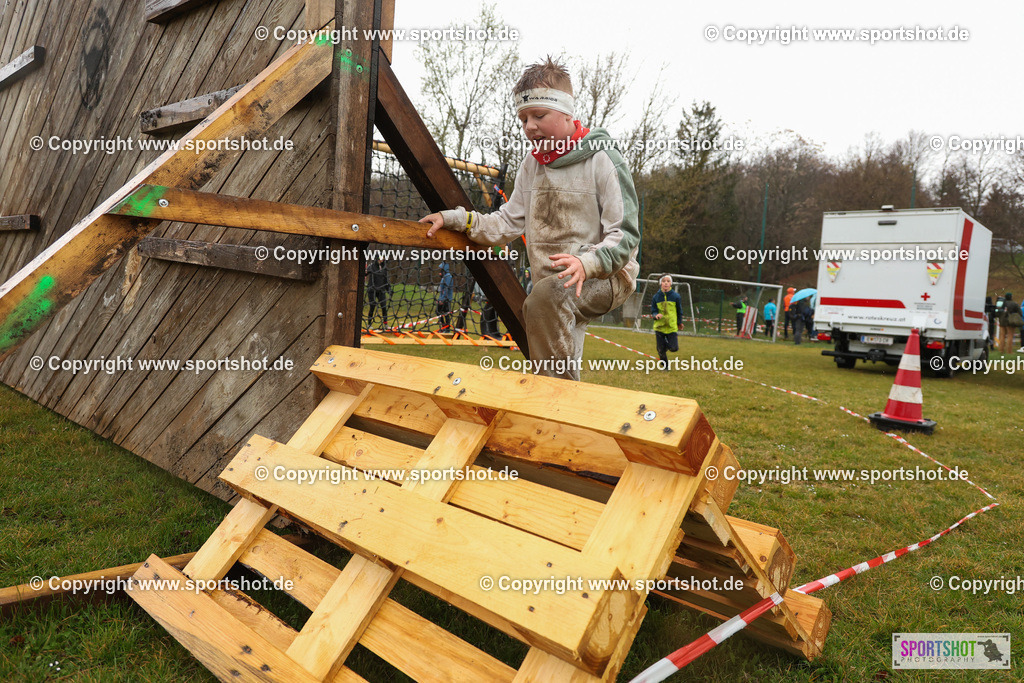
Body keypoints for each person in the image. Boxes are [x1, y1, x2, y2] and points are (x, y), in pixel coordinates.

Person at [421, 56, 639, 380]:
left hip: (605, 275)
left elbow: (626, 235)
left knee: (545, 300)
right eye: (523, 119)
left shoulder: (602, 159)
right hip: (551, 285)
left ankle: (556, 405)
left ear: (567, 112)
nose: (530, 126)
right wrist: (456, 219)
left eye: (539, 115)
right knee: (542, 311)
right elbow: (506, 222)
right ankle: (560, 405)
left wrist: (587, 264)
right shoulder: (532, 165)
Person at [651, 275, 683, 369]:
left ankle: (663, 347)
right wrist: (655, 315)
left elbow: (679, 310)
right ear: (660, 283)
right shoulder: (656, 297)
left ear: (671, 283)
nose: (666, 283)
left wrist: (679, 322)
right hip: (659, 327)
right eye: (664, 281)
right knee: (660, 350)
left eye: (668, 281)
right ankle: (665, 366)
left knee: (674, 348)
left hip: (671, 327)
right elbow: (653, 310)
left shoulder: (676, 296)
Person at [364, 257, 390, 330]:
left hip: (381, 290)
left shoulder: (384, 268)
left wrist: (389, 290)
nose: (381, 260)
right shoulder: (371, 266)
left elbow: (385, 280)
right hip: (372, 290)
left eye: (382, 259)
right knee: (372, 306)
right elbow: (365, 273)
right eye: (380, 259)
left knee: (384, 307)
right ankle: (369, 324)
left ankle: (385, 324)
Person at [437, 262, 453, 331]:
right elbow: (442, 289)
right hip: (442, 298)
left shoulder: (448, 277)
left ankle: (447, 329)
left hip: (446, 299)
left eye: (441, 269)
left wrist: (442, 300)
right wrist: (439, 299)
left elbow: (446, 289)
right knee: (438, 312)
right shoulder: (444, 277)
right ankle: (443, 327)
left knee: (446, 314)